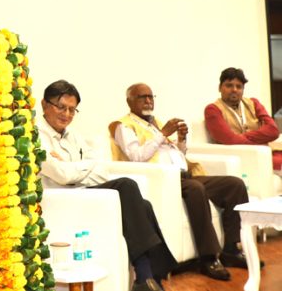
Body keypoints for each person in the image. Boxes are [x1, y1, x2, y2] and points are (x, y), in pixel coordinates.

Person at [38, 80, 176, 291]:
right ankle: (147, 277)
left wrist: (73, 168)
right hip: (62, 199)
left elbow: (100, 168)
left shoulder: (73, 134)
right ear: (44, 105)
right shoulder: (37, 135)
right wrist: (80, 168)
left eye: (72, 110)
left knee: (144, 205)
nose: (66, 114)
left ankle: (149, 278)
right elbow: (61, 175)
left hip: (81, 192)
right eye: (61, 107)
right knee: (126, 186)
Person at [111, 83, 251, 282]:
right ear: (129, 101)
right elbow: (136, 157)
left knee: (234, 184)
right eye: (142, 97)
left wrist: (181, 140)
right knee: (196, 188)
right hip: (163, 180)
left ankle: (231, 249)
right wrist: (163, 134)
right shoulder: (123, 126)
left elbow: (177, 155)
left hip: (184, 175)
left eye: (151, 96)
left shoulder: (154, 123)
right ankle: (208, 258)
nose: (148, 101)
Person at [204, 67, 281, 170]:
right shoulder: (213, 110)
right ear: (219, 88)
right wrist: (261, 139)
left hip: (264, 152)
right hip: (239, 157)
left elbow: (273, 130)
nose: (234, 89)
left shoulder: (253, 103)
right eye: (229, 85)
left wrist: (242, 136)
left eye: (239, 86)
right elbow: (230, 140)